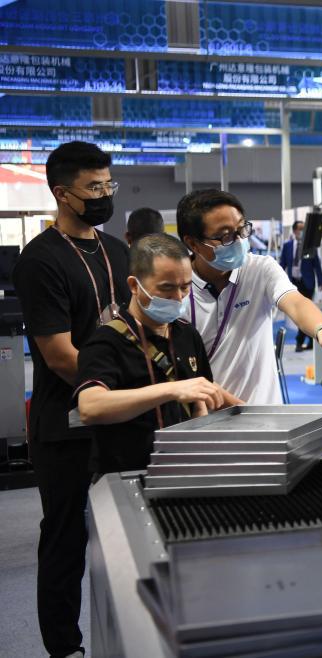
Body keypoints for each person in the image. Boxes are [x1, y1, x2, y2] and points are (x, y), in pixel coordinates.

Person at [11, 141, 129, 658]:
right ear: (62, 194)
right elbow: (60, 355)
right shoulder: (41, 260)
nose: (104, 195)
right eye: (93, 188)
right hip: (66, 425)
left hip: (122, 418)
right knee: (65, 539)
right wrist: (126, 383)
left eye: (108, 185)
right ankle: (65, 648)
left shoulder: (118, 251)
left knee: (129, 533)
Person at [74, 234, 241, 474]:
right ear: (134, 286)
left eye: (185, 287)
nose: (178, 298)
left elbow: (199, 398)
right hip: (126, 474)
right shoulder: (106, 341)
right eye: (166, 288)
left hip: (181, 471)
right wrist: (171, 390)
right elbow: (90, 407)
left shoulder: (186, 334)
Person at [177, 189, 322, 404]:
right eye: (225, 236)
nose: (239, 241)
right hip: (207, 415)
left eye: (241, 229)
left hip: (265, 412)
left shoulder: (260, 269)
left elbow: (295, 303)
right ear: (193, 243)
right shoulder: (176, 290)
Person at [278, 219, 322, 351]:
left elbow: (317, 265)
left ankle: (300, 341)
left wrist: (321, 281)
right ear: (294, 231)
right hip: (294, 283)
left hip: (308, 283)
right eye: (299, 229)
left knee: (306, 312)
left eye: (303, 229)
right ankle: (309, 341)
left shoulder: (310, 246)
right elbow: (282, 264)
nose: (302, 231)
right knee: (300, 313)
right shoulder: (287, 246)